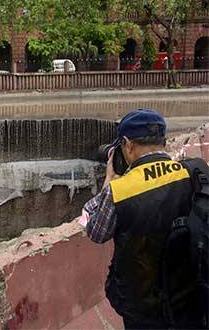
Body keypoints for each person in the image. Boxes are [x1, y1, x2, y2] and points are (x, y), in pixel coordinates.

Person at [82, 109, 203, 329]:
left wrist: (108, 184)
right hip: (188, 295)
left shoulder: (119, 191)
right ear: (162, 141)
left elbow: (96, 233)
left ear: (127, 144)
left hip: (143, 306)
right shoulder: (193, 172)